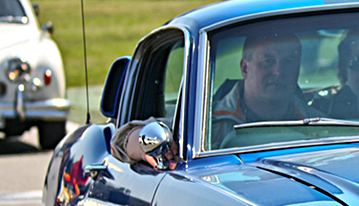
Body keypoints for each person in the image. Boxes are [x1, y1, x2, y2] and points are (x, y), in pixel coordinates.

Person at [112, 23, 314, 163]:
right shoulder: (204, 121)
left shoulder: (322, 123)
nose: (278, 72)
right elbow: (121, 140)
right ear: (245, 68)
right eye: (267, 61)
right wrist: (145, 144)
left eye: (288, 62)